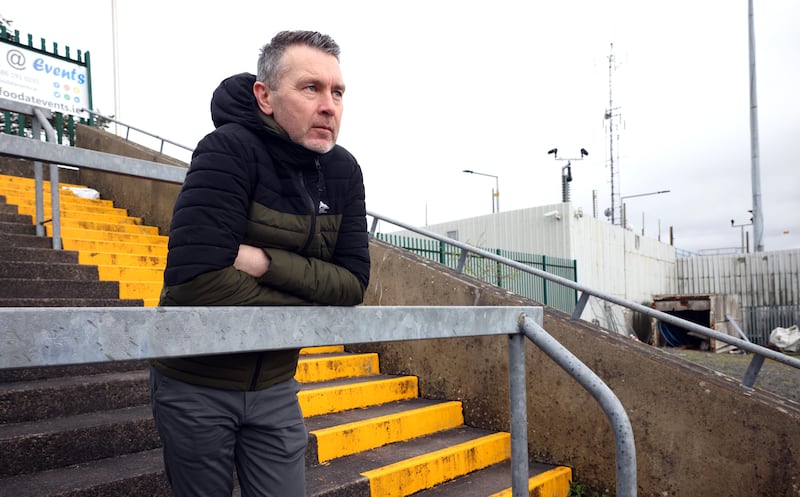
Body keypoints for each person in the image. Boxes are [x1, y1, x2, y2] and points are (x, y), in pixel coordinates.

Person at [149, 30, 370, 497]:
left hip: (274, 384)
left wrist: (265, 262)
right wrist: (310, 292)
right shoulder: (226, 149)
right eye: (311, 88)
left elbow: (352, 284)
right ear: (265, 97)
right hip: (195, 383)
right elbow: (197, 283)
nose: (329, 105)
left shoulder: (343, 171)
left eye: (337, 92)